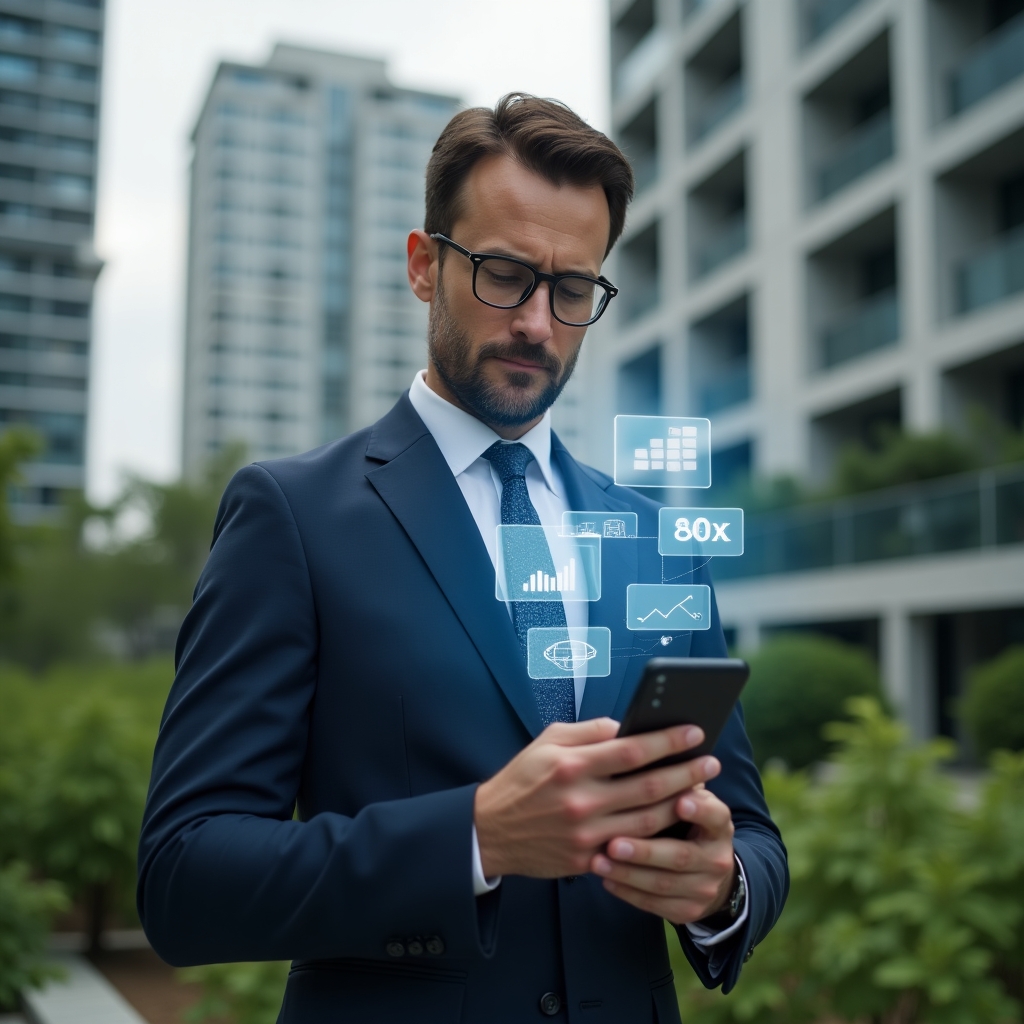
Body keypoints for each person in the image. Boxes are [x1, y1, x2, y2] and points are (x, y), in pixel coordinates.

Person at [138, 93, 788, 1024]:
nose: (537, 322)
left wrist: (723, 886)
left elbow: (752, 833)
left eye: (572, 290)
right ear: (422, 265)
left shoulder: (653, 539)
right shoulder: (292, 516)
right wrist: (475, 836)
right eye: (503, 274)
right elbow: (184, 877)